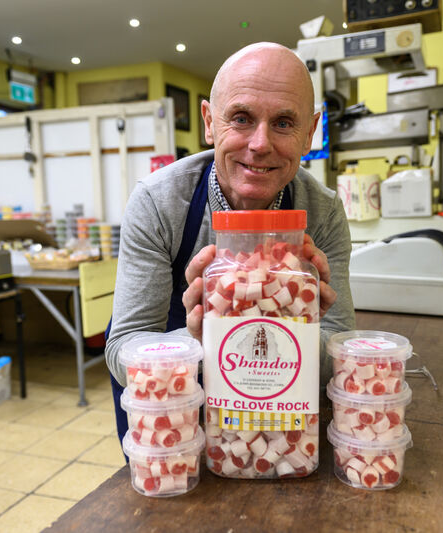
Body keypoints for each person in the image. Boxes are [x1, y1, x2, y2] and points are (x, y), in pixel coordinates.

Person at [105, 42, 356, 443]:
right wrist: (199, 338)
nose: (260, 144)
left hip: (275, 415)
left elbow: (342, 354)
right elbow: (124, 347)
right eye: (241, 118)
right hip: (175, 413)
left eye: (284, 123)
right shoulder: (159, 203)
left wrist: (307, 327)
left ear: (310, 131)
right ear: (209, 121)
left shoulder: (321, 212)